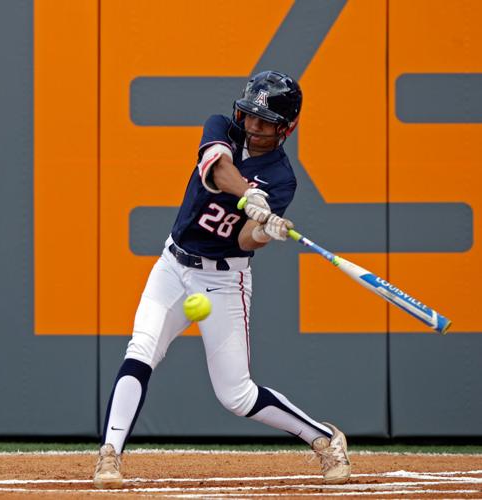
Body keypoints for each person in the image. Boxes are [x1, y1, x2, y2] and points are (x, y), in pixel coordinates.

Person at [93, 71, 351, 489]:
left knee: (237, 395)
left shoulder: (283, 178)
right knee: (140, 350)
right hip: (173, 267)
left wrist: (266, 229)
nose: (252, 125)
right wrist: (250, 196)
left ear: (285, 129)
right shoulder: (220, 129)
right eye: (249, 115)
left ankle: (323, 438)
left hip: (224, 281)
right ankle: (109, 457)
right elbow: (215, 169)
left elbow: (245, 239)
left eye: (265, 122)